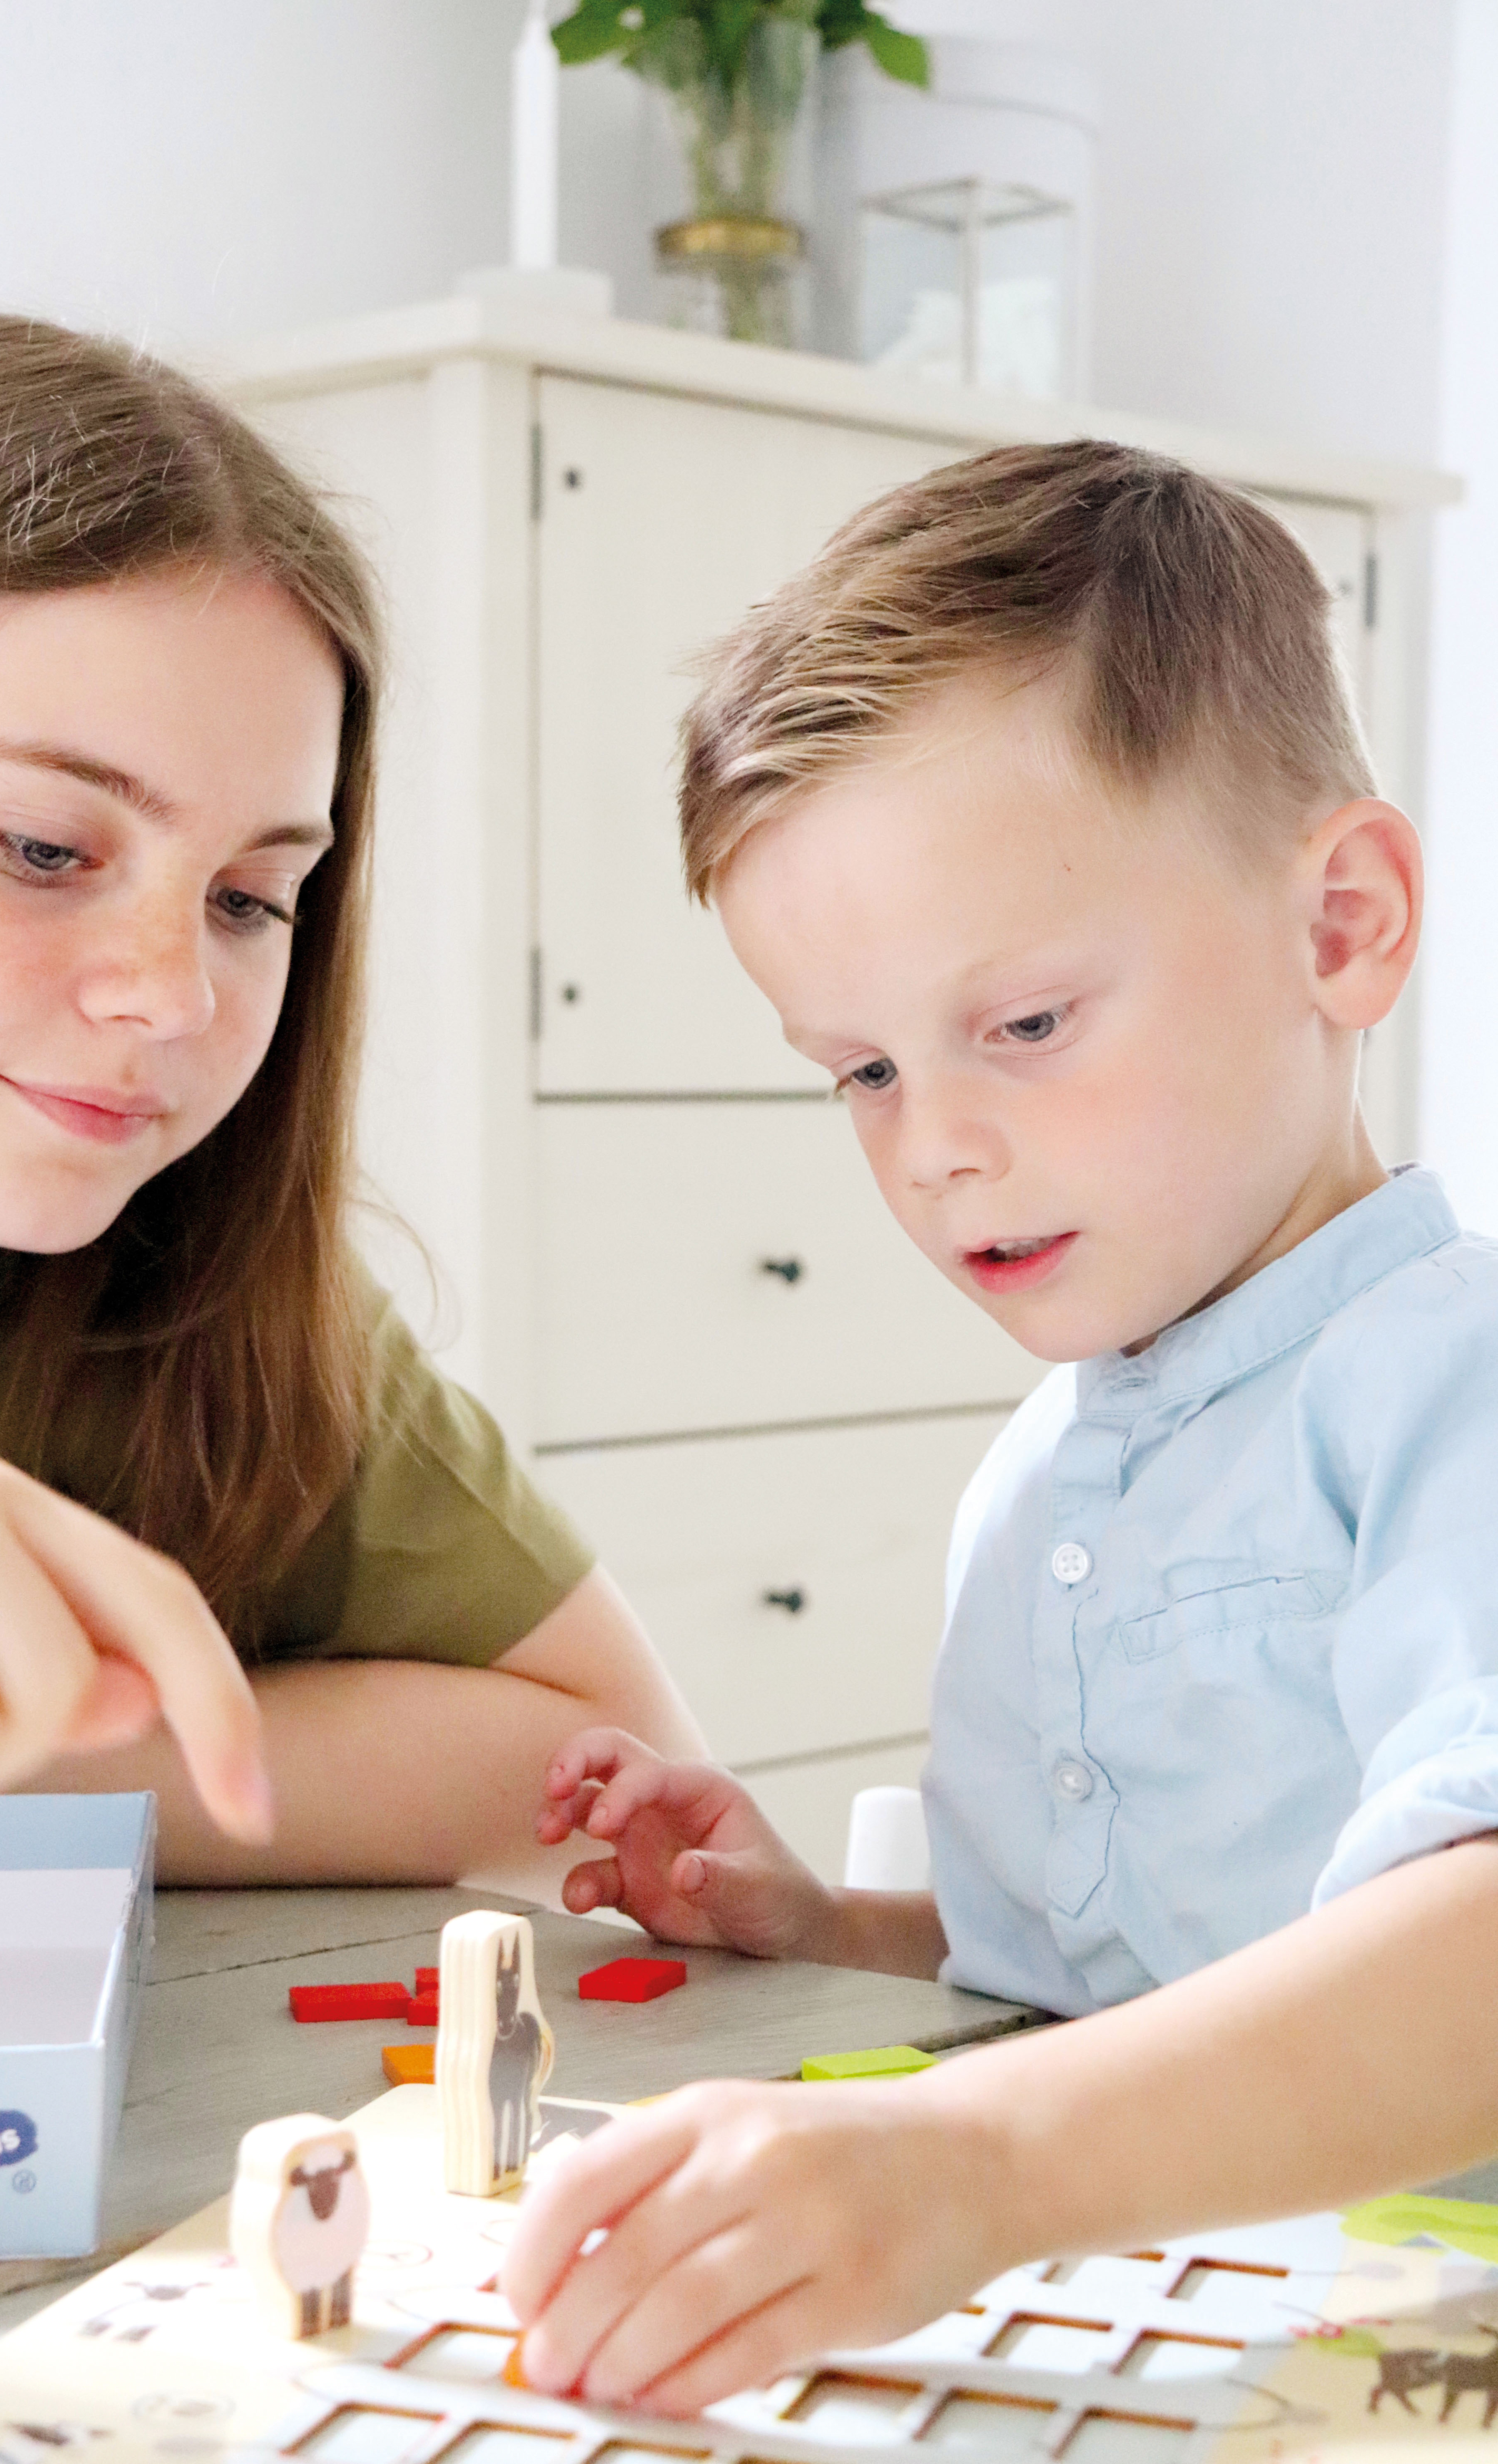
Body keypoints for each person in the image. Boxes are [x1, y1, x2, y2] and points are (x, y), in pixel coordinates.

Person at [502, 439, 1498, 2412]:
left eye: (1024, 1023)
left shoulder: (1439, 1378)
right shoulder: (1039, 1472)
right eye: (858, 1066)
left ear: (1341, 926)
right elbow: (1104, 1960)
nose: (932, 1144)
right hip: (1160, 2328)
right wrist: (836, 1924)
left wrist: (975, 2159)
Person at [0, 308, 701, 1884]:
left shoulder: (201, 1276)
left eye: (250, 900)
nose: (171, 996)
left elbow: (615, 1767)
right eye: (46, 849)